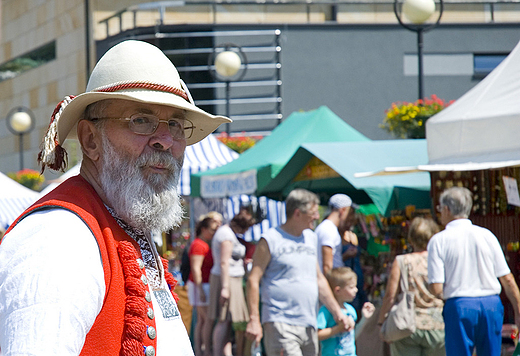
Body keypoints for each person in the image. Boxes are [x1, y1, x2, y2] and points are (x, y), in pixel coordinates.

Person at [0, 40, 230, 355]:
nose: (164, 140)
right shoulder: (59, 238)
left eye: (175, 124)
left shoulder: (123, 222)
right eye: (140, 120)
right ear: (90, 140)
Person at [245, 188, 355, 356]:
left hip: (309, 322)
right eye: (313, 213)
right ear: (297, 213)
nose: (317, 217)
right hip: (280, 321)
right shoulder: (270, 239)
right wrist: (254, 319)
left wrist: (337, 312)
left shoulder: (311, 238)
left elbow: (319, 280)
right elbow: (253, 280)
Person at [428, 187, 520, 356]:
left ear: (447, 210)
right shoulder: (487, 235)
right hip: (490, 304)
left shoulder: (438, 241)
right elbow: (507, 279)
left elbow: (436, 288)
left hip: (459, 304)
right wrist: (518, 310)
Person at [378, 217, 445, 356]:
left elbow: (390, 296)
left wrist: (382, 322)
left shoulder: (402, 261)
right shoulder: (440, 260)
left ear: (410, 238)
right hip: (438, 325)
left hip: (407, 325)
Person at [208, 207, 255, 356]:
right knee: (223, 320)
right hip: (226, 280)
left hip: (230, 279)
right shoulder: (226, 235)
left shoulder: (227, 233)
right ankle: (217, 353)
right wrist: (225, 288)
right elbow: (224, 262)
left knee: (227, 321)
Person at [317, 267, 375, 356]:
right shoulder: (326, 311)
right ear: (338, 290)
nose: (356, 290)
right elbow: (317, 335)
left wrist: (365, 319)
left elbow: (352, 336)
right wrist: (338, 329)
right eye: (351, 287)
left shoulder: (350, 310)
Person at [188, 217, 220, 356]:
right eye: (212, 230)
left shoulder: (201, 243)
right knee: (207, 320)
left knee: (202, 321)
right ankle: (206, 350)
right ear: (204, 229)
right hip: (200, 285)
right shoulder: (199, 245)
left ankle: (200, 350)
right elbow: (196, 269)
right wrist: (200, 289)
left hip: (200, 285)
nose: (214, 233)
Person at [316, 194, 358, 276]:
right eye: (350, 213)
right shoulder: (328, 229)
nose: (351, 217)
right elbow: (327, 267)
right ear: (342, 210)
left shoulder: (330, 228)